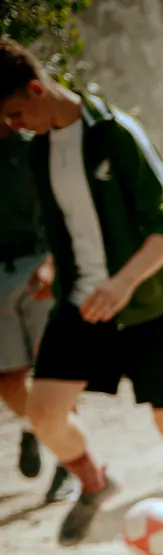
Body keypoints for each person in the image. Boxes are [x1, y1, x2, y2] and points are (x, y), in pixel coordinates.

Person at [0, 40, 163, 555]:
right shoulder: (40, 151)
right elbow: (75, 224)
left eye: (15, 114)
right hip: (81, 303)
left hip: (144, 306)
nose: (12, 128)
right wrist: (55, 267)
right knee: (44, 412)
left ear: (37, 91)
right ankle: (93, 481)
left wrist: (123, 282)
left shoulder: (115, 134)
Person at [0, 111, 66, 501]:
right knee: (9, 380)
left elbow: (60, 212)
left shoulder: (31, 150)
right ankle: (34, 428)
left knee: (53, 374)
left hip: (37, 268)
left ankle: (70, 466)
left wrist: (52, 262)